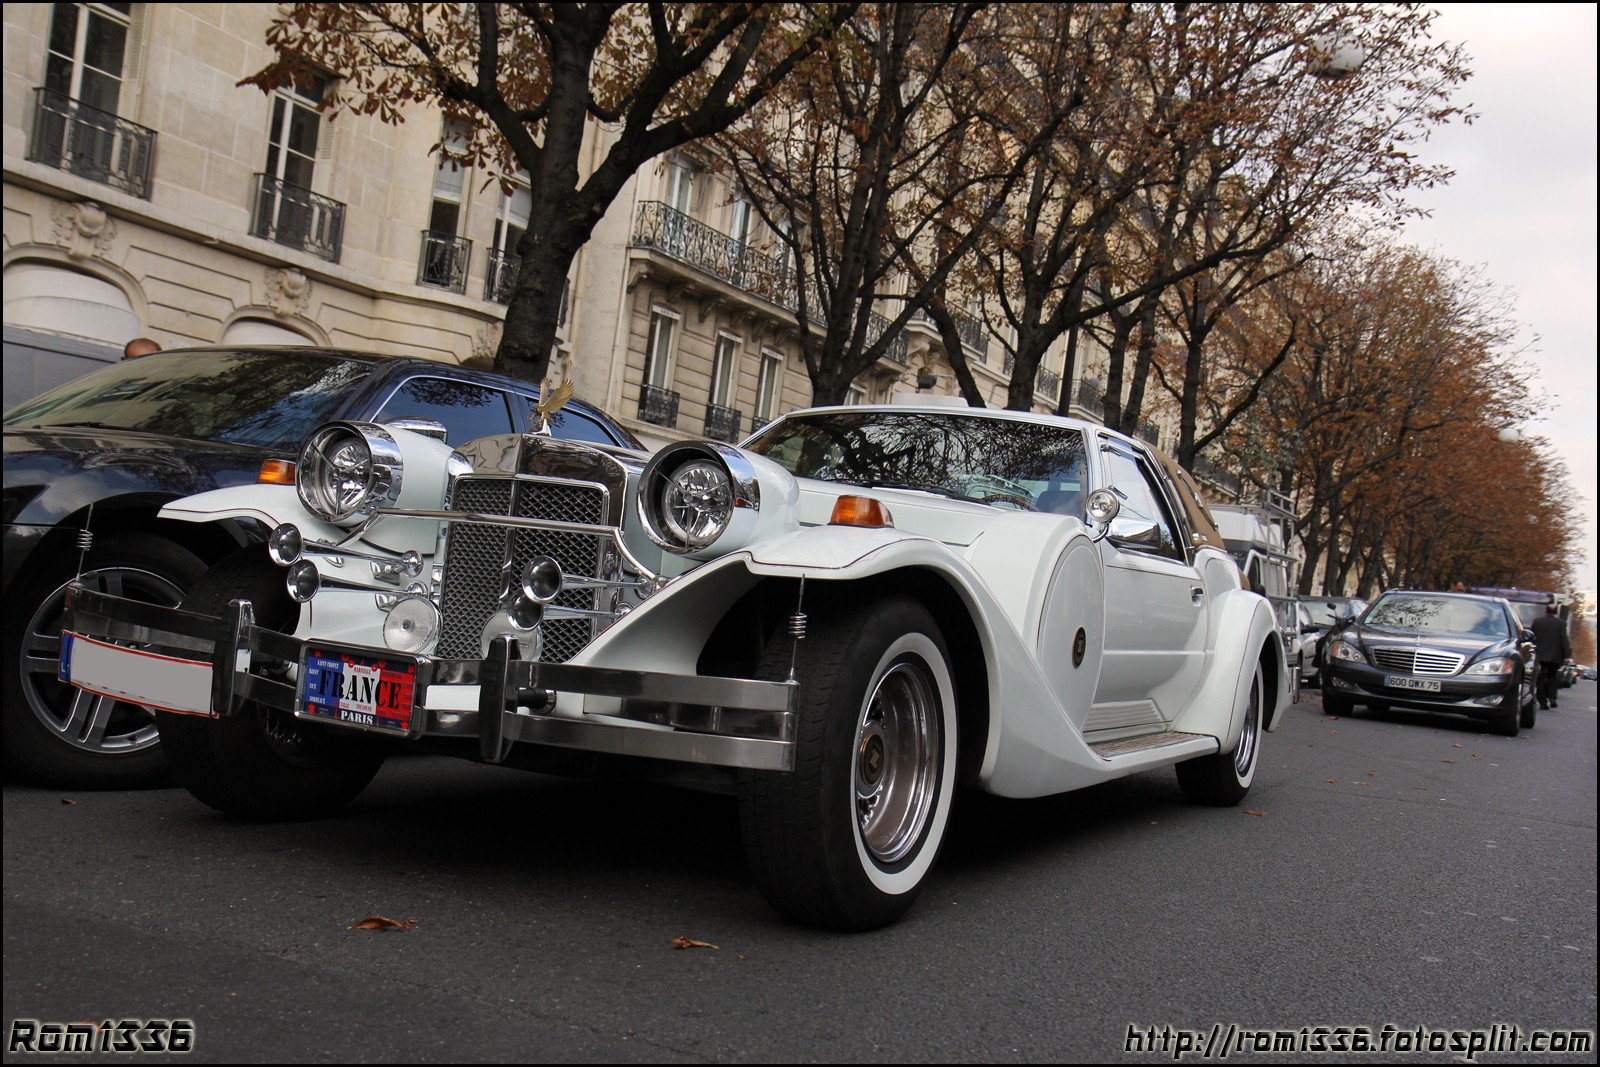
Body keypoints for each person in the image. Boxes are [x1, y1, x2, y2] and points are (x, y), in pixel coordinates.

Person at [1530, 604, 1571, 710]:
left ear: (1545, 611)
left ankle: (1542, 701)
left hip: (1540, 655)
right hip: (1555, 656)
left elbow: (1532, 637)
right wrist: (1567, 655)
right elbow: (1564, 639)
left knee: (1541, 677)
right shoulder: (1561, 623)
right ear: (1556, 612)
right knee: (1552, 677)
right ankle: (1552, 698)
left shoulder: (1537, 621)